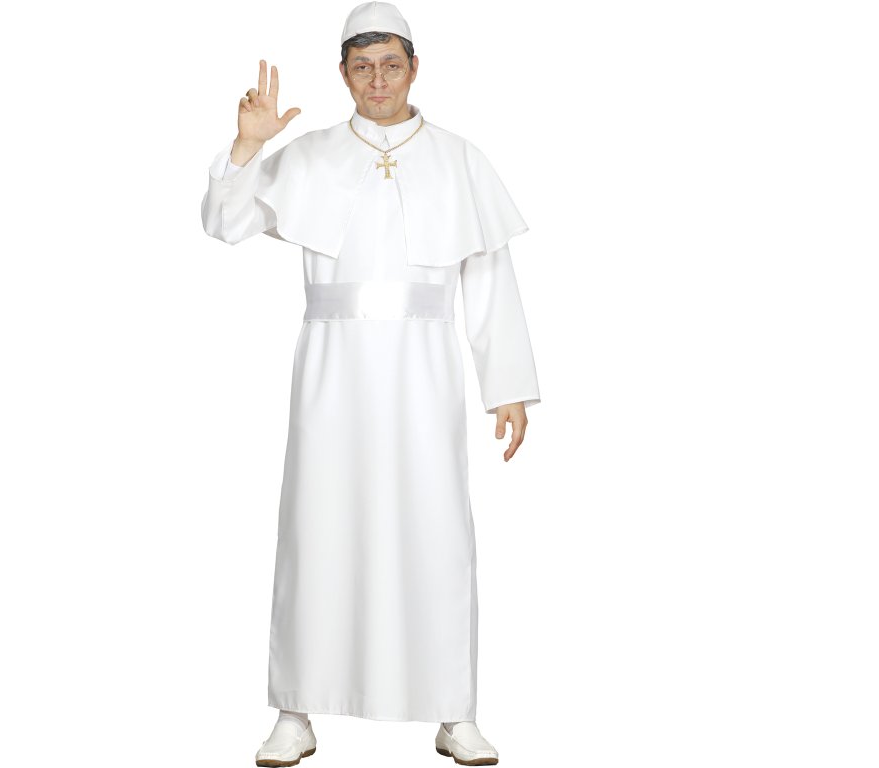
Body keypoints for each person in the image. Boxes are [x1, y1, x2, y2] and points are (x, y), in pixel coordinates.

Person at [201, 3, 540, 765]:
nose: (377, 80)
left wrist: (507, 386)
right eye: (362, 67)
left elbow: (490, 279)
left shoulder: (459, 158)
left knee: (436, 530)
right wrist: (248, 147)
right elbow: (224, 224)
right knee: (317, 528)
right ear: (344, 74)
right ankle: (296, 709)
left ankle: (453, 711)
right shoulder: (310, 154)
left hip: (424, 369)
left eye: (390, 65)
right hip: (332, 367)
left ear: (414, 69)